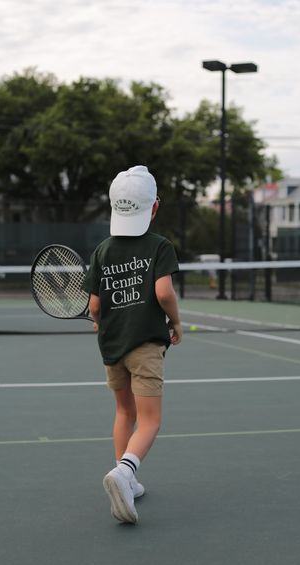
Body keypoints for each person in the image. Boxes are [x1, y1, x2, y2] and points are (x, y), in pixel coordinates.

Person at [83, 165, 183, 524]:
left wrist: (97, 321)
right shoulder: (160, 246)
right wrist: (176, 321)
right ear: (154, 207)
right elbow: (163, 291)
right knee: (151, 421)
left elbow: (95, 306)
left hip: (112, 348)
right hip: (145, 347)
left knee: (124, 412)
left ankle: (126, 477)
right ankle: (125, 473)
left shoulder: (102, 250)